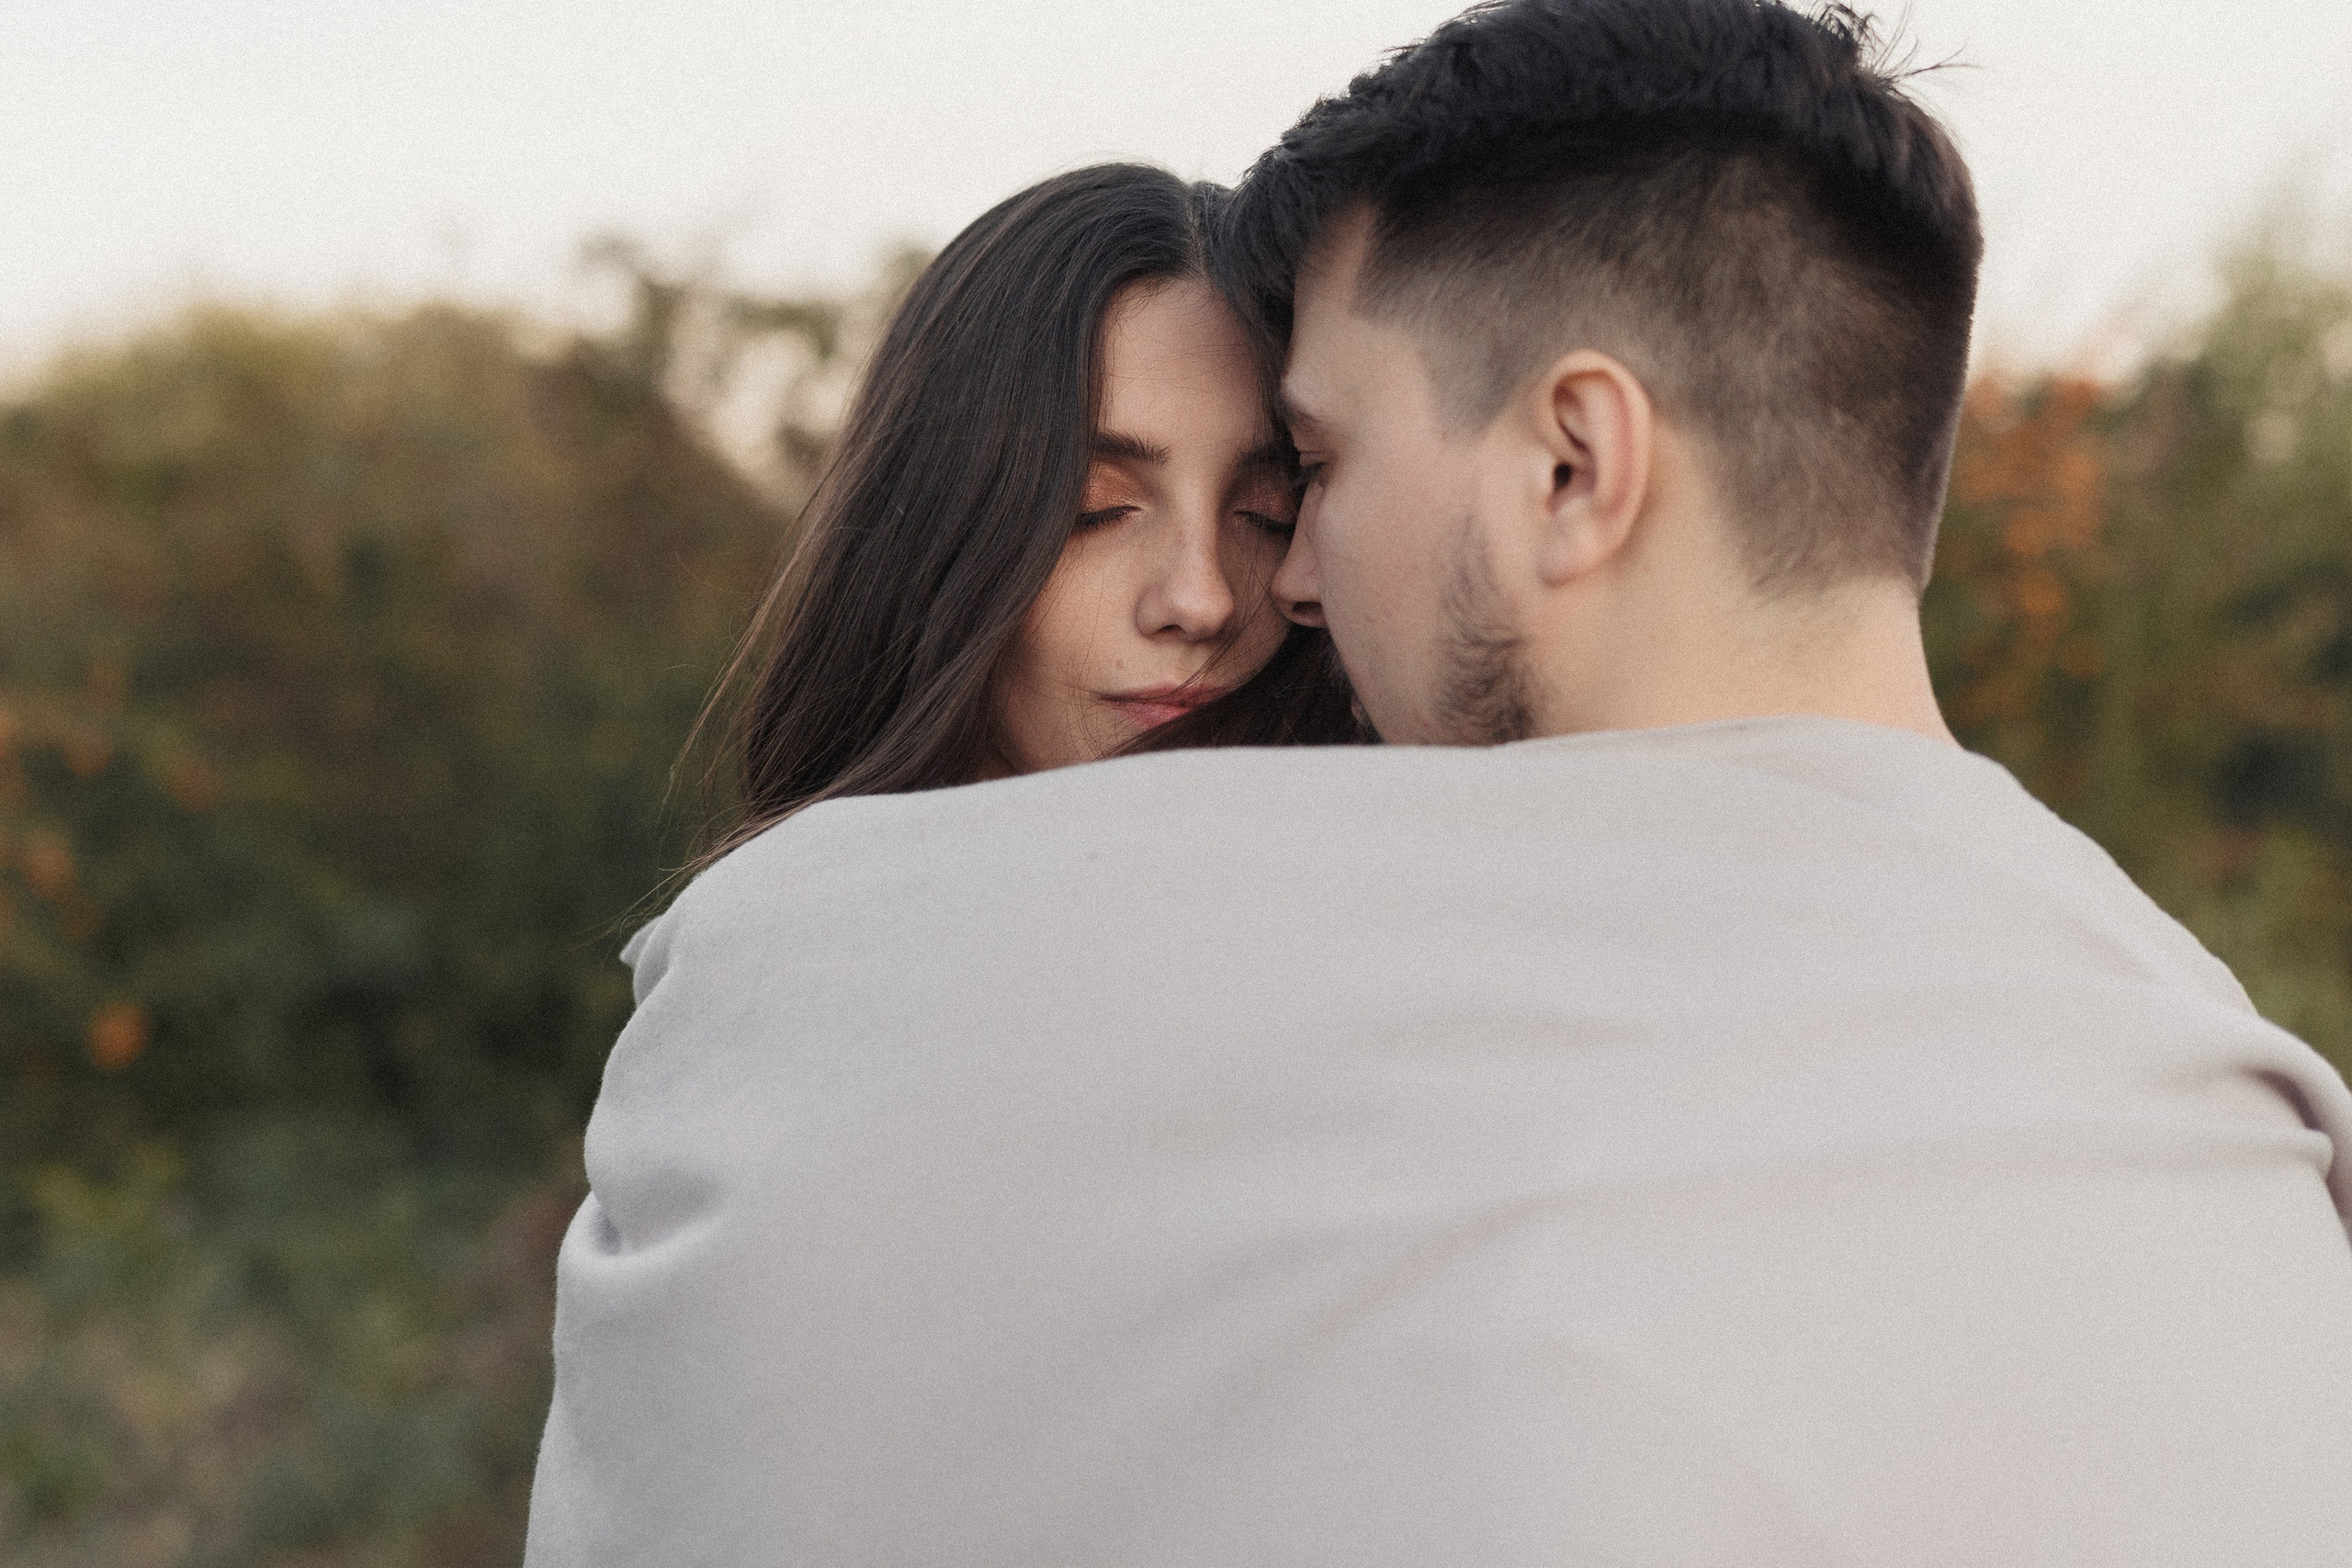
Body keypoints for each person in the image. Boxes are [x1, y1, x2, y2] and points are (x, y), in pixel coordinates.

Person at [526, 5, 2352, 1565]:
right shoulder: (2222, 1118)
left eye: (1301, 474)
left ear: (1573, 462)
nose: (1266, 586)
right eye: (1098, 507)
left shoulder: (794, 992)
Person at [688, 160, 1358, 868]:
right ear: (935, 532)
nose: (1202, 600)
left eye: (1268, 513)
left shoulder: (1401, 927)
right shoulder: (768, 951)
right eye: (1095, 509)